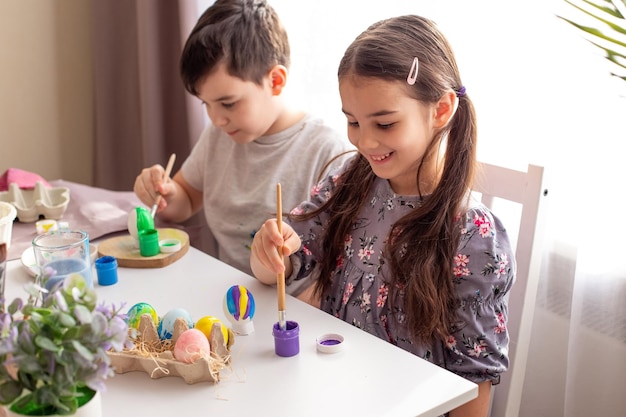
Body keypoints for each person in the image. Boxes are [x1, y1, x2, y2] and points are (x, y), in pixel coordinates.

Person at [250, 15, 514, 417]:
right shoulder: (348, 183)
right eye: (353, 121)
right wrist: (268, 251)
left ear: (441, 109)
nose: (364, 140)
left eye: (385, 123)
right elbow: (283, 267)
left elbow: (472, 380)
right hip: (326, 393)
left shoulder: (472, 235)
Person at [133, 0, 352, 275]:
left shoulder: (328, 151)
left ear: (275, 81)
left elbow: (343, 264)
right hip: (229, 297)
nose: (216, 119)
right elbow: (186, 200)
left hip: (295, 308)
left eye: (228, 103)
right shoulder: (219, 135)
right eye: (206, 104)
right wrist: (163, 192)